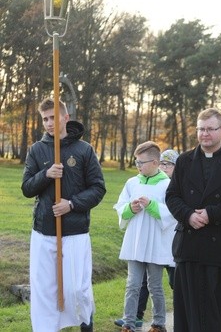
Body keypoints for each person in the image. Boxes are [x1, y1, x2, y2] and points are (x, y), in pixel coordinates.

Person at [165, 107, 221, 331]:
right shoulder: (184, 162)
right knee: (192, 315)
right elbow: (172, 195)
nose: (205, 134)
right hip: (191, 247)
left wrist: (211, 214)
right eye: (201, 129)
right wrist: (187, 215)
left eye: (210, 129)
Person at [21, 98, 106, 332]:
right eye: (45, 118)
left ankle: (86, 326)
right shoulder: (36, 150)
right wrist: (46, 174)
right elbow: (27, 188)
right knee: (44, 290)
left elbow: (98, 188)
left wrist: (72, 204)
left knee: (77, 289)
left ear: (65, 118)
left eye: (53, 117)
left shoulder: (84, 150)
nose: (49, 123)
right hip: (44, 231)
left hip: (75, 231)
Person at [114, 141, 176, 332]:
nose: (138, 166)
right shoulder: (132, 183)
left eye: (142, 162)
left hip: (155, 242)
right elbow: (120, 206)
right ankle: (129, 323)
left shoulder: (168, 185)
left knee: (155, 285)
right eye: (136, 161)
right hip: (135, 241)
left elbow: (172, 212)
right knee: (132, 284)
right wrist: (129, 209)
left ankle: (158, 323)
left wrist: (152, 206)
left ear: (156, 162)